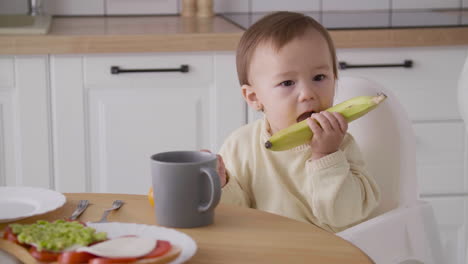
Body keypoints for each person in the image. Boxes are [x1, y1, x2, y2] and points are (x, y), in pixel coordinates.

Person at [214, 11, 380, 233]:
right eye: (287, 82)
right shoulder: (240, 145)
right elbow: (235, 217)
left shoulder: (341, 146)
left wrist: (326, 157)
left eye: (319, 78)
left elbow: (345, 217)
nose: (307, 94)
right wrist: (221, 185)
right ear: (254, 97)